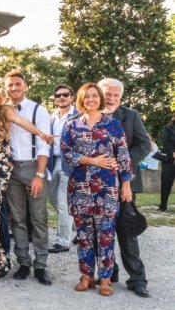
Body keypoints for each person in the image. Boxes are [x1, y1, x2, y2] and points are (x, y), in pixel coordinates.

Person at [0, 83, 54, 280]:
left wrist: (41, 134)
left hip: (3, 168)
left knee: (37, 218)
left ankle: (40, 266)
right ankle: (9, 262)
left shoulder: (6, 110)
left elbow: (23, 122)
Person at [61, 83, 133, 296]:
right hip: (80, 187)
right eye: (86, 96)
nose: (90, 99)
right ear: (81, 99)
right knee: (84, 234)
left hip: (107, 188)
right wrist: (92, 161)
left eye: (94, 96)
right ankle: (86, 276)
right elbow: (66, 152)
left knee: (106, 234)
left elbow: (124, 157)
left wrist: (126, 184)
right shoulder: (72, 125)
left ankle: (105, 278)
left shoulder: (113, 125)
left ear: (99, 98)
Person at [99, 77, 152, 297]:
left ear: (121, 98)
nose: (111, 99)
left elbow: (144, 144)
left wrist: (121, 162)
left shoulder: (131, 115)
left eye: (116, 95)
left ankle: (138, 279)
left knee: (127, 231)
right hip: (97, 185)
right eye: (108, 94)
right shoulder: (88, 117)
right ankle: (110, 273)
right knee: (102, 231)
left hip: (124, 183)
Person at [3, 70, 53, 286]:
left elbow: (44, 144)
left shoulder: (37, 110)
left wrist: (40, 175)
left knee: (38, 218)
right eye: (10, 85)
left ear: (25, 86)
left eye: (17, 84)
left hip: (34, 166)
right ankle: (23, 263)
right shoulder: (2, 109)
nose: (13, 88)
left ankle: (41, 265)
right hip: (12, 168)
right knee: (18, 219)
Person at [48, 84, 79, 252]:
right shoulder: (51, 117)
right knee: (52, 198)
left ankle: (63, 241)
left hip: (69, 163)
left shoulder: (79, 116)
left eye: (65, 95)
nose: (61, 97)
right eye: (58, 95)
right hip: (53, 161)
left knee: (62, 202)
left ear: (72, 97)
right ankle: (80, 230)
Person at [158, 112, 175, 211]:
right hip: (169, 160)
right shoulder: (168, 128)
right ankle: (163, 205)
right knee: (166, 182)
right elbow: (165, 142)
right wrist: (173, 152)